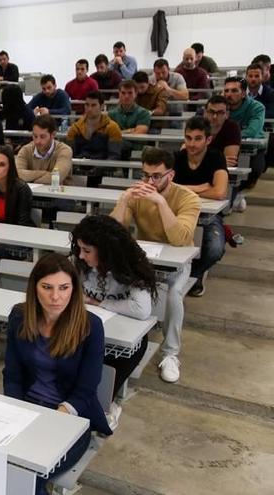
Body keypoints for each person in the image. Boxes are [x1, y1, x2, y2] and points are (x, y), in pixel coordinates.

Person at [3, 253, 112, 495]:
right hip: (26, 410)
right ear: (35, 288)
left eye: (64, 288)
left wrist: (52, 420)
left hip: (69, 419)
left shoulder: (91, 326)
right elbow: (12, 376)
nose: (56, 297)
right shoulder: (19, 316)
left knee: (31, 477)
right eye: (47, 287)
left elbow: (86, 390)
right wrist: (17, 413)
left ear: (74, 289)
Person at [110, 147, 201, 383]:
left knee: (172, 295)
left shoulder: (188, 198)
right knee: (112, 281)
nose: (149, 181)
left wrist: (161, 202)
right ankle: (119, 341)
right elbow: (113, 232)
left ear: (170, 175)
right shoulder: (137, 195)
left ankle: (170, 353)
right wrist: (124, 200)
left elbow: (180, 238)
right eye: (145, 175)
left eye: (156, 176)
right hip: (145, 259)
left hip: (178, 263)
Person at [71, 215, 158, 407]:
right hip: (84, 330)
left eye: (87, 250)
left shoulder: (131, 266)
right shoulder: (81, 263)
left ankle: (104, 406)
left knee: (98, 392)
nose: (80, 255)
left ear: (106, 251)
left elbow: (141, 309)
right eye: (79, 249)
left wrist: (97, 302)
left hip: (122, 338)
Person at [173, 117, 228, 297]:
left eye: (198, 138)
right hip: (181, 211)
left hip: (209, 216)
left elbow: (220, 192)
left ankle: (193, 276)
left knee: (215, 250)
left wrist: (184, 190)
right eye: (188, 138)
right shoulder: (179, 157)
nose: (192, 143)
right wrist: (199, 188)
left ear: (208, 140)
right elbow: (169, 189)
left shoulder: (216, 157)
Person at [223, 76, 266, 190]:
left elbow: (251, 131)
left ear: (243, 93)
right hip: (227, 146)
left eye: (234, 91)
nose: (229, 94)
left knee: (255, 170)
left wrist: (228, 136)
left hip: (253, 148)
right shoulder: (220, 108)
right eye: (226, 91)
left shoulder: (257, 107)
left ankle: (240, 192)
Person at [16, 115, 73, 185]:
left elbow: (56, 178)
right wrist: (45, 173)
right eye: (35, 136)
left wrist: (30, 179)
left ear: (53, 135)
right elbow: (18, 174)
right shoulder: (25, 150)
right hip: (33, 194)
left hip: (59, 195)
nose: (37, 141)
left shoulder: (64, 150)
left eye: (42, 137)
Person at [66, 91, 122, 161]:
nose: (89, 109)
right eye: (87, 105)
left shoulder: (112, 127)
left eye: (93, 105)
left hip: (103, 168)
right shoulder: (75, 128)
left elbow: (114, 156)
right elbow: (68, 154)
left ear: (102, 106)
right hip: (78, 167)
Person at [108, 80, 152, 159]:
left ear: (136, 94)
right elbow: (108, 133)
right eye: (123, 93)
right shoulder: (111, 114)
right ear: (119, 94)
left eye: (130, 93)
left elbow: (139, 133)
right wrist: (129, 130)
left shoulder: (144, 113)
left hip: (136, 147)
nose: (126, 96)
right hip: (116, 146)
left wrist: (118, 133)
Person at [204, 95, 241, 167]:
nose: (214, 116)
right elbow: (187, 153)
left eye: (220, 113)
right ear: (205, 113)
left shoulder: (232, 128)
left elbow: (230, 161)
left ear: (227, 114)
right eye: (211, 112)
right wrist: (219, 161)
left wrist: (201, 159)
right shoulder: (198, 124)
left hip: (224, 173)